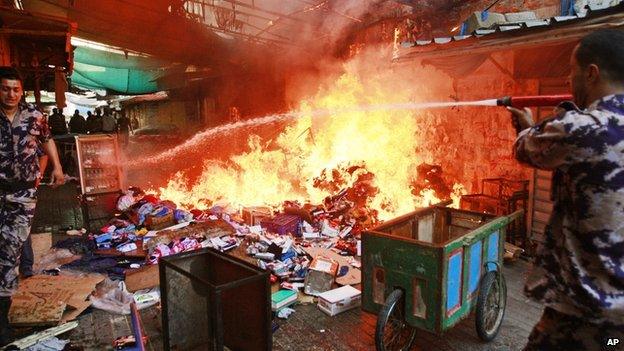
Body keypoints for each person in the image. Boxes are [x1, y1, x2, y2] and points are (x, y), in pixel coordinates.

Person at [508, 29, 624, 350]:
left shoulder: (584, 129)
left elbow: (525, 148)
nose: (567, 80)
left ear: (592, 73)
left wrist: (527, 126)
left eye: (571, 71)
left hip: (586, 313)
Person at [0, 67, 64, 344]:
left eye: (15, 89)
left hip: (23, 196)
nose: (11, 94)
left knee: (10, 251)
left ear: (21, 90)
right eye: (5, 88)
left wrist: (56, 168)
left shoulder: (34, 115)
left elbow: (47, 140)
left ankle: (2, 319)